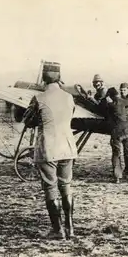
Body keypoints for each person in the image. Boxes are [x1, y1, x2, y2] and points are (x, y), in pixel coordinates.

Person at [23, 62, 78, 240]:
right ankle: (71, 228)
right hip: (68, 146)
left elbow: (28, 121)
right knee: (66, 185)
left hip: (48, 147)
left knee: (50, 187)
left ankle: (58, 230)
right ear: (59, 77)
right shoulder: (69, 97)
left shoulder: (39, 98)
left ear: (44, 78)